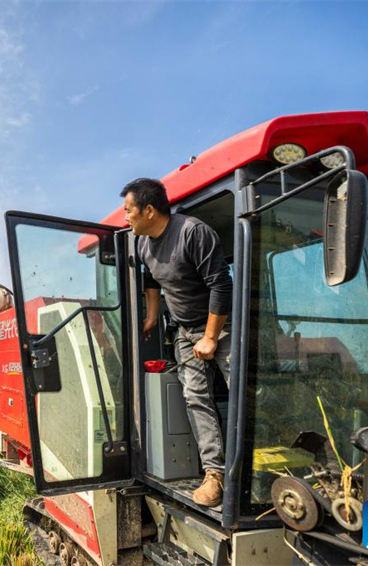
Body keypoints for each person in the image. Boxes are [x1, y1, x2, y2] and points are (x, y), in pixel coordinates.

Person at [120, 177, 233, 507]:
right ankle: (216, 474)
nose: (126, 217)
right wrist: (153, 315)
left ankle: (261, 468)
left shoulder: (192, 233)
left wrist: (211, 337)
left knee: (244, 392)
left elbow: (221, 285)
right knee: (195, 396)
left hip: (221, 326)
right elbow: (151, 278)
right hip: (184, 329)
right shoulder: (143, 242)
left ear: (149, 210)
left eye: (129, 211)